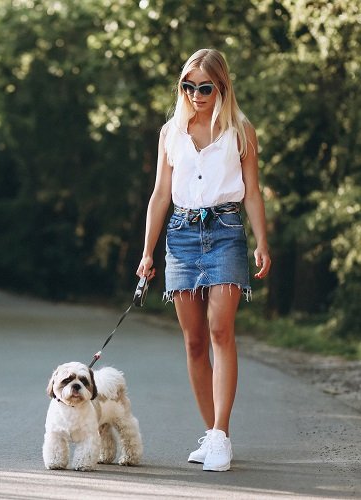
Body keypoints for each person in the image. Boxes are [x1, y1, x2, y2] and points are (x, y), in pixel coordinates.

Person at [136, 48, 271, 472]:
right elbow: (160, 194)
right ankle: (211, 432)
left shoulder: (241, 131)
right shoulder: (170, 132)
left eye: (205, 86)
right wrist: (147, 251)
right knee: (193, 341)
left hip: (226, 233)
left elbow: (252, 191)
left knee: (219, 330)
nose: (196, 94)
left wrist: (262, 243)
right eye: (188, 86)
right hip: (180, 236)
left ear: (222, 87)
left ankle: (221, 435)